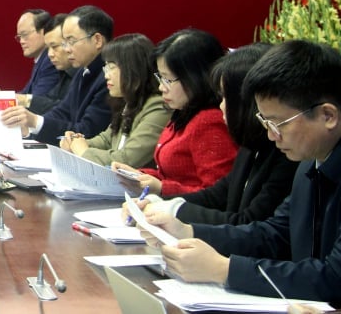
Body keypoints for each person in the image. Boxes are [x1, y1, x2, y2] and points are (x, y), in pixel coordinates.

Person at [141, 40, 341, 303]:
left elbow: (334, 278)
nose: (271, 135)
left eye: (279, 123)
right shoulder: (310, 161)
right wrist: (188, 232)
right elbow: (274, 234)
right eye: (265, 121)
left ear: (328, 116)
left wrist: (223, 269)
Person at [137, 43, 298, 225]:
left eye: (225, 98)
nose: (220, 106)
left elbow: (250, 223)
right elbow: (218, 193)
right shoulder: (250, 145)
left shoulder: (287, 153)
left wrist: (172, 209)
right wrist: (161, 202)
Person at [112, 29, 236, 196]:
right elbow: (171, 175)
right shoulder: (183, 112)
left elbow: (215, 195)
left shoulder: (209, 121)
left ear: (195, 77)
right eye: (160, 78)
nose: (162, 87)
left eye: (168, 79)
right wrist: (140, 176)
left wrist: (161, 188)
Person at [0, 5, 113, 144]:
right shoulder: (83, 72)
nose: (67, 49)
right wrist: (31, 127)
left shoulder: (110, 78)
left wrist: (35, 122)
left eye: (71, 41)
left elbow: (88, 132)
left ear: (97, 40)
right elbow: (62, 112)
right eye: (64, 43)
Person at [61, 33, 169, 167]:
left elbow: (127, 159)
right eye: (105, 68)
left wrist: (83, 151)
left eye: (111, 67)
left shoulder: (157, 106)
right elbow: (106, 139)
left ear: (132, 68)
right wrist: (74, 142)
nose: (106, 75)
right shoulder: (128, 102)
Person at [0, 9, 60, 101]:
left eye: (25, 35)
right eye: (19, 37)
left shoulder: (50, 60)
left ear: (44, 32)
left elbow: (36, 100)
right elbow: (26, 94)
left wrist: (1, 97)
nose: (22, 41)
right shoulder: (40, 59)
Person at [20, 13, 76, 115]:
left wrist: (22, 100)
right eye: (48, 48)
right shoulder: (65, 73)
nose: (50, 54)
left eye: (54, 47)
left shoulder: (84, 73)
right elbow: (49, 100)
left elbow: (65, 110)